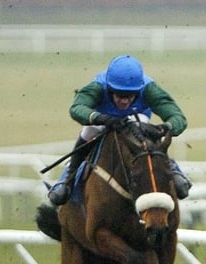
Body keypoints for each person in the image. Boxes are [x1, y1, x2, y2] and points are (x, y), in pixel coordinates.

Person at [47, 54, 191, 206]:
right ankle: (68, 177)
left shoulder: (149, 89)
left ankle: (172, 168)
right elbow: (77, 108)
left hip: (136, 120)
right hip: (103, 120)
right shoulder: (98, 86)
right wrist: (101, 118)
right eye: (119, 95)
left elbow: (178, 118)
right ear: (109, 88)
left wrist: (164, 128)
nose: (124, 101)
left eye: (130, 96)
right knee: (89, 130)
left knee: (143, 129)